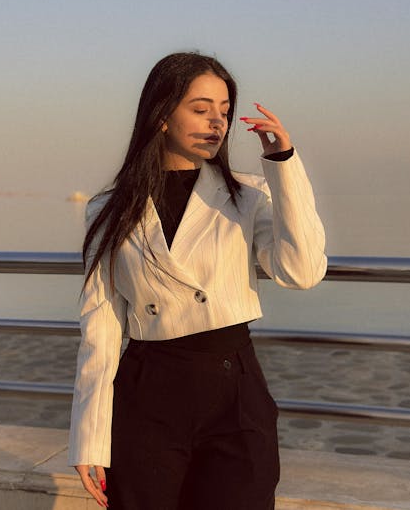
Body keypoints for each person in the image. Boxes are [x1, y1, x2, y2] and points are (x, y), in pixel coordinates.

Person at [68, 52, 326, 510]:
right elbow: (101, 323)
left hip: (233, 392)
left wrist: (283, 164)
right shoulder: (109, 208)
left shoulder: (247, 196)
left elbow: (302, 271)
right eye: (201, 108)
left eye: (225, 111)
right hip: (149, 392)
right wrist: (88, 437)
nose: (217, 123)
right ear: (162, 114)